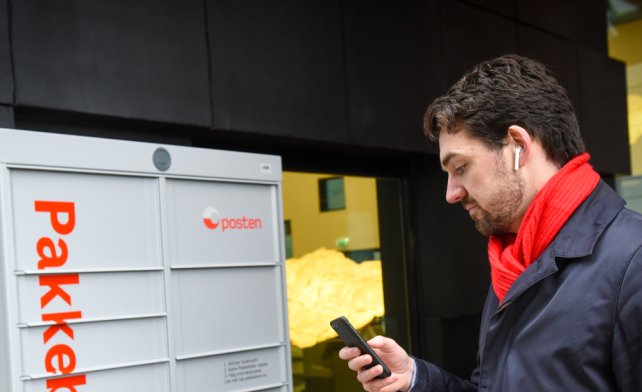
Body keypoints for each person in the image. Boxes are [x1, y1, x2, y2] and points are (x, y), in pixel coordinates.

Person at [339, 54, 642, 391]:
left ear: (518, 146)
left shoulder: (633, 260)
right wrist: (414, 380)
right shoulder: (515, 262)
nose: (451, 194)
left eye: (461, 167)